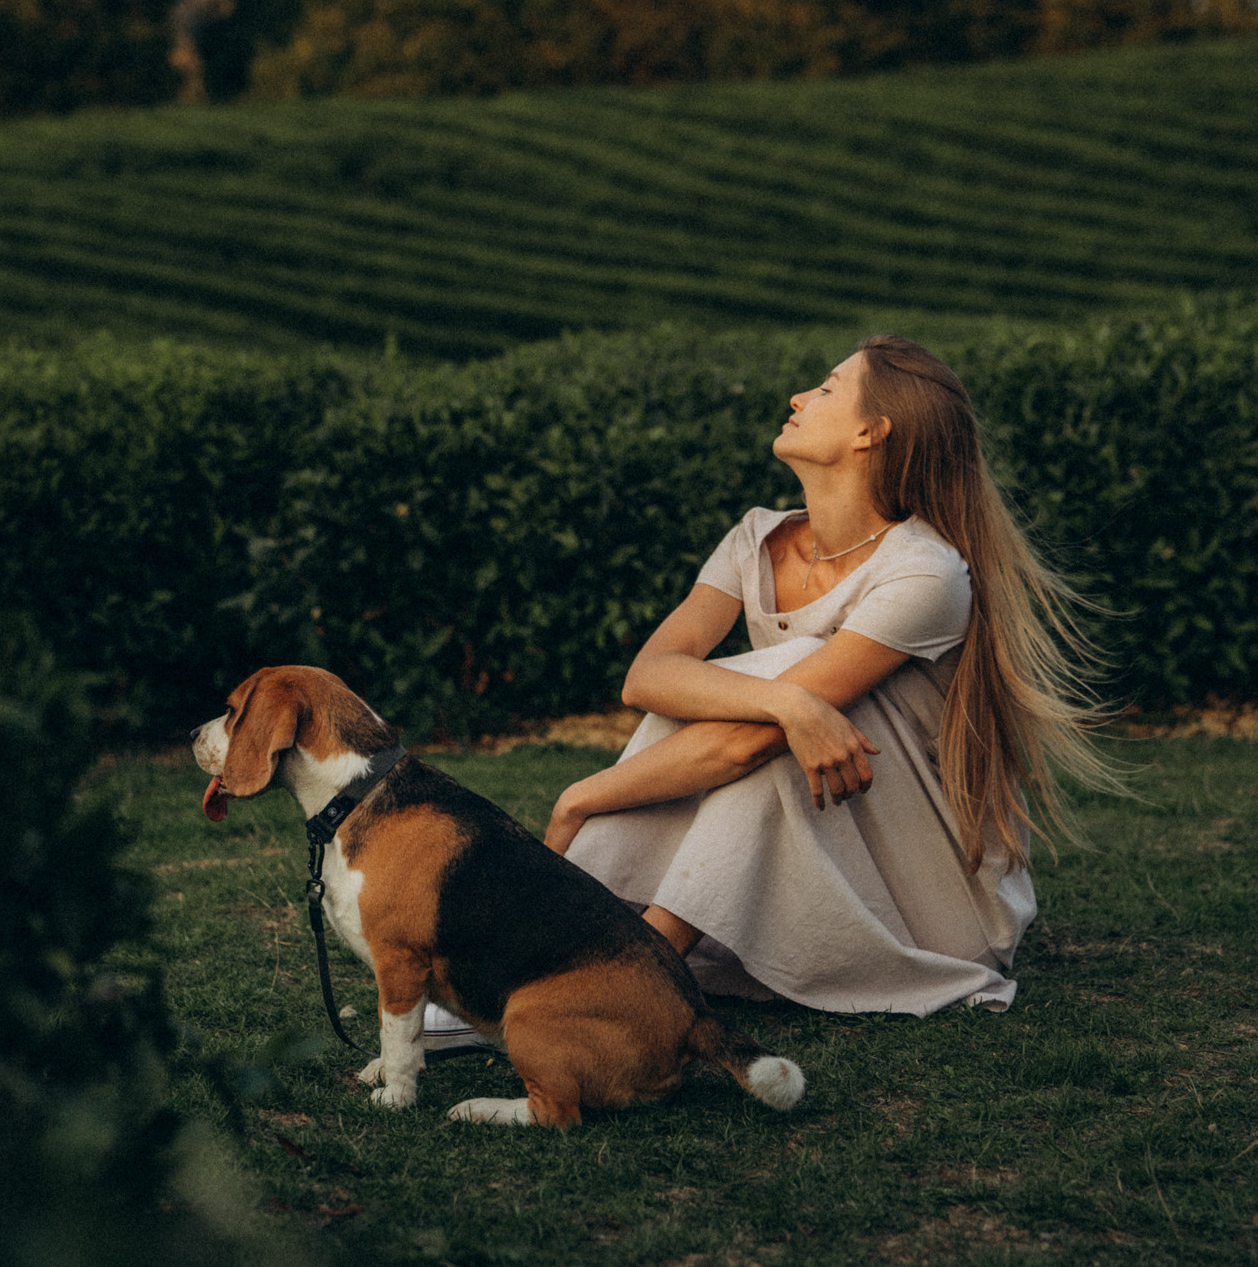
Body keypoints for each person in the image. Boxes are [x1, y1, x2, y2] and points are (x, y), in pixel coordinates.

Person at [421, 335, 1119, 1047]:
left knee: (778, 699)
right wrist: (792, 703)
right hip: (830, 839)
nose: (798, 398)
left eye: (825, 388)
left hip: (933, 899)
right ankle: (560, 961)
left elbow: (742, 742)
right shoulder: (755, 539)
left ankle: (615, 981)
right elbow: (649, 676)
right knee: (766, 695)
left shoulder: (925, 574)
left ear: (869, 432)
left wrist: (584, 796)